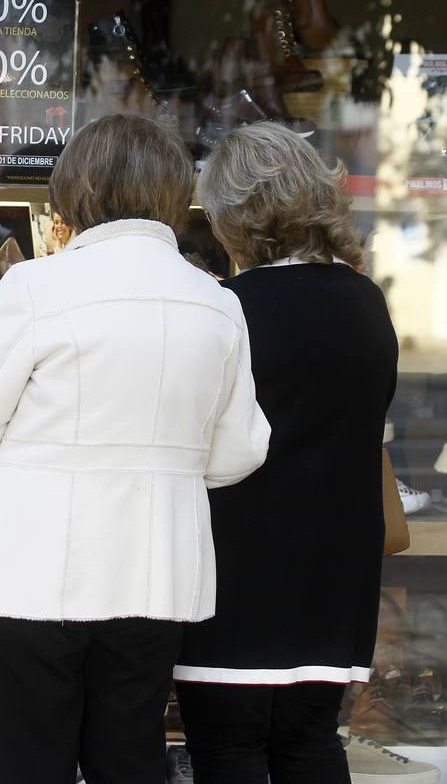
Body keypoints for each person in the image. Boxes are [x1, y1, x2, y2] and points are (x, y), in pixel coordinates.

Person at [0, 113, 270, 784]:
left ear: (75, 191)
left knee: (30, 762)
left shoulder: (36, 287)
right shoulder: (214, 301)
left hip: (29, 567)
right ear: (175, 192)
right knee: (129, 758)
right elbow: (238, 452)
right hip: (152, 568)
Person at [175, 121, 399, 783]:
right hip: (335, 583)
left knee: (227, 749)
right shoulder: (366, 304)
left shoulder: (227, 310)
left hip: (235, 576)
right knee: (310, 743)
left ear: (233, 217)